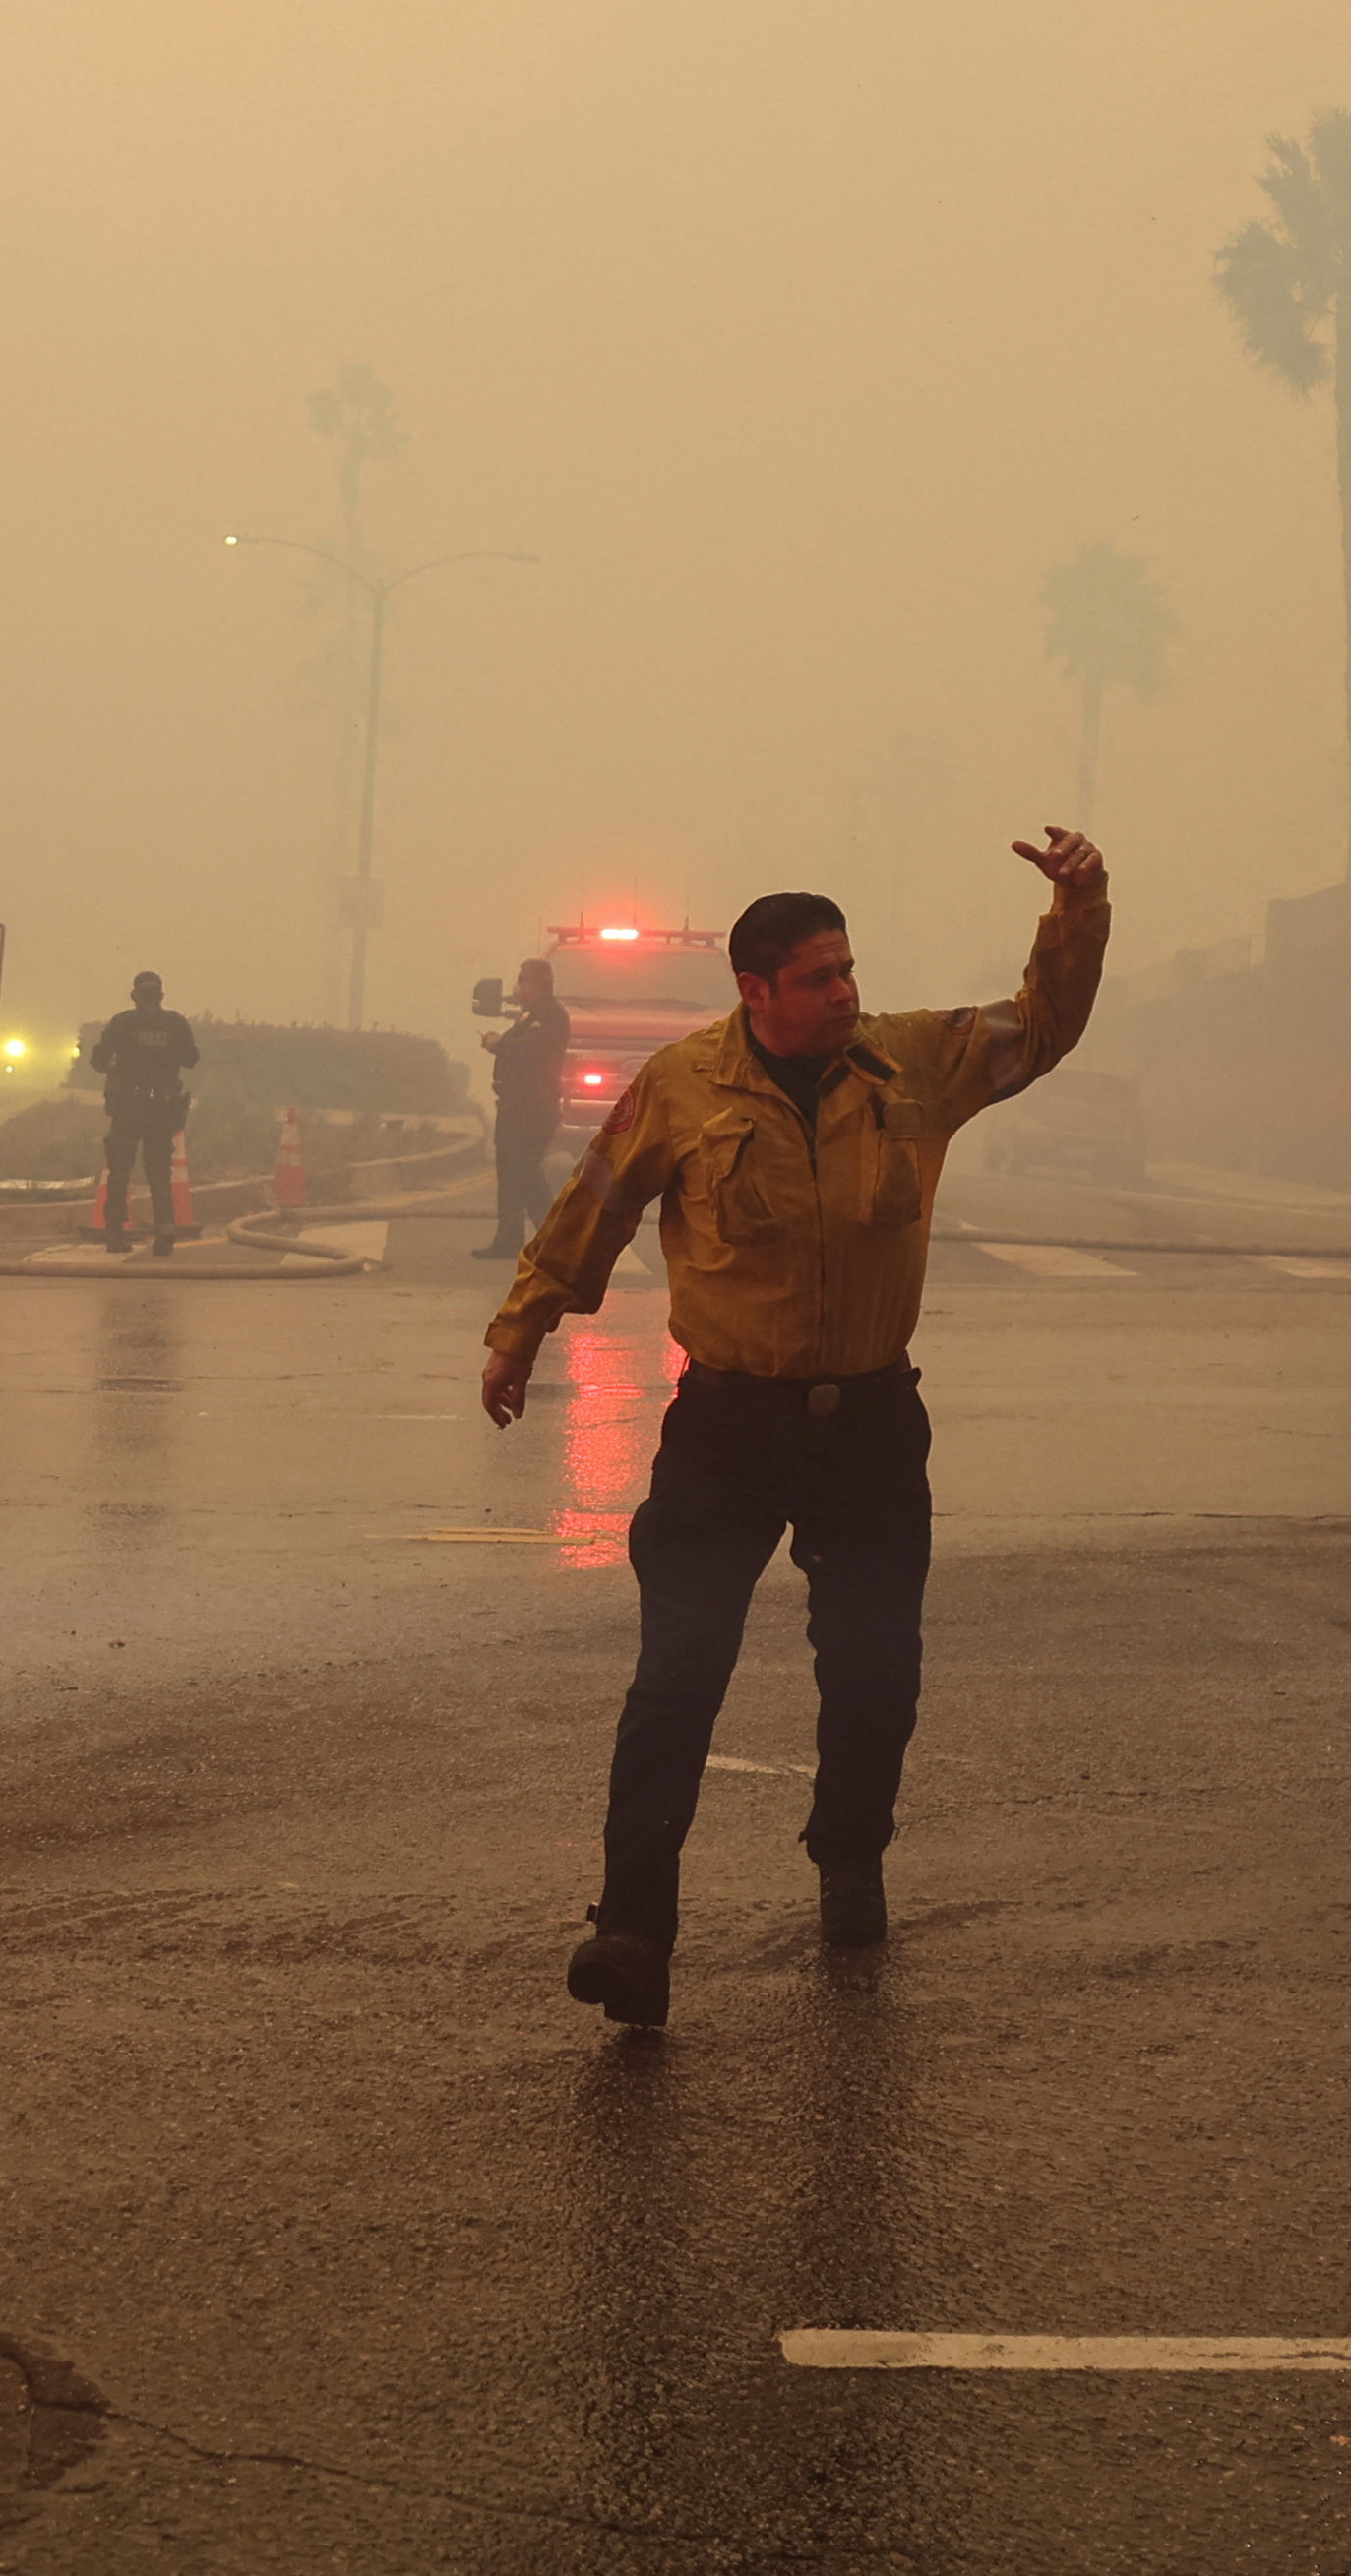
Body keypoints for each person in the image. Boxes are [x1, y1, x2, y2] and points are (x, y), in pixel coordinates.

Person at [477, 833, 1108, 2032]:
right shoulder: (682, 1086)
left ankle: (849, 1848)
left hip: (869, 1428)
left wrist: (1077, 906)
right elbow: (595, 1205)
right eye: (819, 977)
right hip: (725, 1430)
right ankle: (631, 1931)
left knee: (874, 1674)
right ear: (753, 990)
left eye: (849, 970)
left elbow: (1047, 1022)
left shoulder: (913, 1065)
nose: (845, 993)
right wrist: (523, 1328)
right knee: (676, 1680)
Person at [85, 970, 201, 1255]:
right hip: (161, 1107)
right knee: (159, 1170)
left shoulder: (123, 1023)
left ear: (134, 996)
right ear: (161, 996)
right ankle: (165, 1229)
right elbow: (191, 1059)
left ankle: (115, 1234)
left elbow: (98, 1061)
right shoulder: (175, 1024)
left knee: (120, 1170)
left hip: (128, 1107)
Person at [473, 956, 569, 1258]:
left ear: (539, 983)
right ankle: (508, 1238)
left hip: (534, 1107)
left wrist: (497, 1044)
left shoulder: (550, 1014)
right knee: (509, 1171)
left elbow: (529, 1051)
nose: (518, 986)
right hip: (514, 1105)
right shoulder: (528, 1015)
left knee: (525, 1169)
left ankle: (554, 1238)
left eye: (524, 980)